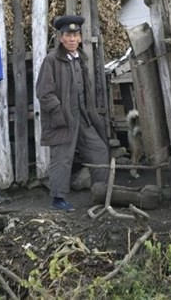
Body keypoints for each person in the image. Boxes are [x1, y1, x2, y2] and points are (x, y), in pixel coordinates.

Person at [36, 15, 110, 211]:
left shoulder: (80, 59)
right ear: (61, 38)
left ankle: (100, 192)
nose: (72, 39)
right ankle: (58, 199)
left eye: (75, 35)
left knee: (99, 151)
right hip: (62, 120)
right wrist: (59, 113)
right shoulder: (51, 60)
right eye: (68, 35)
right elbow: (44, 93)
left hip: (82, 118)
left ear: (80, 37)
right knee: (62, 158)